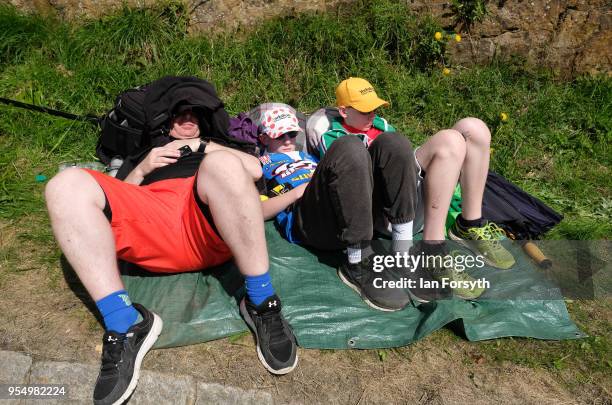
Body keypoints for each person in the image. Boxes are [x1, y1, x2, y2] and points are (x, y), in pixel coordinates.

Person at [45, 106, 298, 405]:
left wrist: (203, 147)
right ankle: (125, 322)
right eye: (178, 115)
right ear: (166, 125)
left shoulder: (216, 149)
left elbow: (255, 170)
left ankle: (261, 301)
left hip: (204, 221)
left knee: (223, 165)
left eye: (194, 115)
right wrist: (142, 168)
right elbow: (110, 202)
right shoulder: (148, 150)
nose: (187, 119)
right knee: (65, 184)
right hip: (149, 217)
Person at [309, 77, 517, 298]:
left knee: (473, 129)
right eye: (365, 110)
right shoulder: (335, 139)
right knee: (449, 140)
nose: (372, 115)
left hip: (405, 201)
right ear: (343, 111)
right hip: (375, 207)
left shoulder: (382, 126)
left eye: (375, 109)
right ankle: (433, 250)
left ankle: (469, 224)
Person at [257, 106, 435, 312]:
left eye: (292, 134)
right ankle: (358, 263)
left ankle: (402, 250)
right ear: (263, 139)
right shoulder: (258, 165)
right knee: (348, 146)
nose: (288, 141)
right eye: (280, 136)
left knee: (393, 143)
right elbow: (257, 211)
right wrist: (296, 193)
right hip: (308, 218)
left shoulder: (308, 156)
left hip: (348, 207)